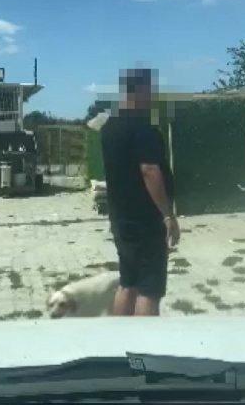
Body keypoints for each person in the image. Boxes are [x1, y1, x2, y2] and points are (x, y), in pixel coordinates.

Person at [99, 68, 180, 316]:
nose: (153, 96)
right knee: (149, 290)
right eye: (151, 91)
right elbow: (149, 170)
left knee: (128, 283)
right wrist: (168, 215)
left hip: (120, 218)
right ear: (141, 90)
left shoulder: (110, 126)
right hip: (145, 221)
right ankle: (145, 340)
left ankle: (119, 337)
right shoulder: (143, 128)